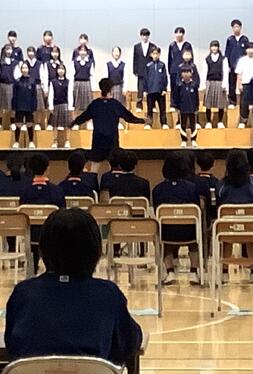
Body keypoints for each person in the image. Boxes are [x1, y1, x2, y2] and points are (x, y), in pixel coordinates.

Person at [4, 209, 142, 374]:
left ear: (43, 249)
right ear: (95, 250)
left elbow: (12, 345)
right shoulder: (108, 294)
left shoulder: (23, 293)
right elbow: (129, 343)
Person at [70, 78, 145, 165]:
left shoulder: (95, 104)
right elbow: (129, 118)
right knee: (114, 165)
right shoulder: (115, 104)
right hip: (112, 141)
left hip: (98, 142)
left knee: (95, 165)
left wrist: (73, 123)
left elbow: (83, 117)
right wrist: (143, 120)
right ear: (111, 89)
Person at [152, 153, 202, 285]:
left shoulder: (158, 189)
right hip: (189, 232)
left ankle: (170, 272)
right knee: (194, 243)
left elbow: (157, 211)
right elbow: (197, 209)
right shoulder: (192, 188)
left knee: (164, 242)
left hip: (167, 232)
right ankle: (193, 272)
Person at [217, 149, 253, 283]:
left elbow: (218, 208)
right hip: (251, 230)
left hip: (227, 230)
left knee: (225, 234)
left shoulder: (221, 186)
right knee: (252, 233)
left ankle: (224, 273)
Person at [21, 153, 66, 272]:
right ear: (47, 168)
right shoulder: (57, 191)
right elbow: (62, 214)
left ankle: (33, 265)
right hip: (52, 233)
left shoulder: (24, 191)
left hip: (31, 234)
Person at [0, 44, 21, 131]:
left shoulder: (15, 62)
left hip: (12, 85)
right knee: (0, 106)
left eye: (10, 49)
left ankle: (12, 123)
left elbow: (17, 75)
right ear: (4, 50)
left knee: (12, 106)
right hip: (2, 84)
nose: (9, 51)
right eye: (7, 49)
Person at [200, 40, 228, 128]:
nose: (214, 48)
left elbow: (225, 71)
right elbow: (204, 72)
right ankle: (208, 121)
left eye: (216, 46)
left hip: (220, 82)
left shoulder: (223, 59)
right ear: (210, 48)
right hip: (209, 82)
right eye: (212, 46)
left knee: (221, 104)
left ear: (218, 48)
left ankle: (220, 121)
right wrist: (203, 84)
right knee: (208, 104)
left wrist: (224, 84)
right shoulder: (207, 59)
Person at [11, 61, 39, 149]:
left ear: (28, 69)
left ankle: (31, 141)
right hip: (19, 106)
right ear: (21, 70)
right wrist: (14, 107)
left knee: (30, 124)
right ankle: (16, 142)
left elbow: (34, 95)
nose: (24, 69)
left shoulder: (32, 81)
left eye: (26, 68)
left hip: (29, 107)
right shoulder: (17, 81)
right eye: (23, 68)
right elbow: (14, 95)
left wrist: (34, 107)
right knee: (18, 124)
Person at [23, 45, 50, 130]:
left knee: (38, 107)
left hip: (37, 86)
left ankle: (38, 123)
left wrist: (44, 88)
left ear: (35, 53)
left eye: (32, 51)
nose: (30, 53)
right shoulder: (25, 63)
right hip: (27, 86)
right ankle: (28, 122)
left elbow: (43, 76)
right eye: (29, 51)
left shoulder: (39, 63)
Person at [47, 62, 73, 148]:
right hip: (56, 105)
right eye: (59, 69)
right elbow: (51, 94)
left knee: (67, 124)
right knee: (55, 124)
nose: (60, 71)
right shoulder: (53, 82)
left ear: (65, 71)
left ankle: (67, 141)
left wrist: (70, 106)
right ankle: (55, 141)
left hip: (65, 104)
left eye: (62, 69)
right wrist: (50, 105)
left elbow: (70, 94)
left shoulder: (68, 81)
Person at [224, 19, 249, 108]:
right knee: (232, 84)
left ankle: (244, 102)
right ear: (232, 28)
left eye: (237, 27)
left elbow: (247, 53)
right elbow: (227, 53)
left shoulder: (245, 39)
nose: (236, 28)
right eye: (234, 27)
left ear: (240, 28)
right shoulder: (230, 39)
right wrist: (227, 65)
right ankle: (232, 102)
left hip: (242, 66)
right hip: (232, 65)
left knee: (243, 84)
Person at [132, 28, 157, 113]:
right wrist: (135, 70)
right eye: (143, 35)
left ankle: (152, 105)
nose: (145, 37)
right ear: (141, 36)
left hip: (150, 71)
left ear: (148, 36)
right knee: (140, 88)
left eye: (146, 35)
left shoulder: (153, 46)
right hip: (140, 70)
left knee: (151, 88)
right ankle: (139, 105)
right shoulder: (137, 46)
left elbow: (155, 58)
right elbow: (135, 59)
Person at [143, 46, 169, 130]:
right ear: (151, 55)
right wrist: (145, 90)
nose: (155, 55)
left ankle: (164, 123)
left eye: (157, 54)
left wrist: (164, 89)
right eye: (153, 54)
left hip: (160, 91)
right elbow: (145, 78)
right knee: (150, 109)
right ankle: (149, 124)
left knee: (162, 109)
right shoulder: (148, 65)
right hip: (150, 91)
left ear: (159, 54)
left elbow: (165, 77)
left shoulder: (162, 65)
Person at [174, 66, 200, 148]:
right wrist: (177, 107)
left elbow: (197, 98)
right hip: (182, 109)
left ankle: (193, 140)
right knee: (183, 125)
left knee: (193, 125)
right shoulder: (179, 85)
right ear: (181, 74)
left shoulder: (194, 85)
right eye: (184, 72)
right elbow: (176, 97)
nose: (186, 74)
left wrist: (197, 107)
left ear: (191, 74)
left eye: (188, 72)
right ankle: (184, 140)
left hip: (192, 109)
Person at [70, 46, 95, 127]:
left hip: (87, 84)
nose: (83, 52)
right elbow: (71, 75)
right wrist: (71, 87)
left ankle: (89, 122)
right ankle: (76, 122)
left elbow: (92, 75)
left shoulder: (90, 62)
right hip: (77, 84)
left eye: (84, 51)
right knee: (77, 105)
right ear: (78, 52)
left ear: (87, 52)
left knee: (88, 105)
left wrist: (93, 88)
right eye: (81, 50)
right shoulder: (74, 62)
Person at [235, 42, 253, 127]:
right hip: (245, 84)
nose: (250, 50)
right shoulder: (242, 60)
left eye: (252, 48)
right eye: (248, 48)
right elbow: (239, 74)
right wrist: (239, 85)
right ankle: (243, 121)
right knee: (244, 103)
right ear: (246, 50)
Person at [168, 27, 193, 94]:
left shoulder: (187, 45)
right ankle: (174, 101)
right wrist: (170, 71)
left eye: (180, 33)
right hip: (174, 71)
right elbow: (169, 59)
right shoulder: (172, 45)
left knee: (184, 89)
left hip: (185, 71)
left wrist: (190, 70)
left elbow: (191, 58)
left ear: (183, 34)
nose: (178, 34)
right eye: (177, 33)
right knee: (174, 89)